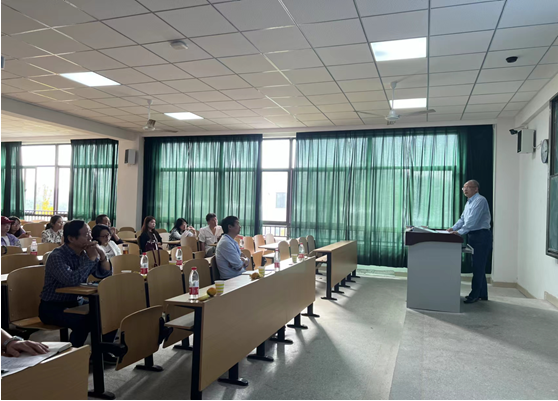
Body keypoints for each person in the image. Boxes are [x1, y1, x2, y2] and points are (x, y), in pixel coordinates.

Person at [39, 220, 113, 350]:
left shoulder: (85, 253)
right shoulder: (57, 256)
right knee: (86, 320)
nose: (90, 237)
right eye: (86, 234)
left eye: (90, 233)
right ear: (71, 238)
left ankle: (103, 351)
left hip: (76, 302)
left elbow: (104, 274)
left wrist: (102, 256)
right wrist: (91, 259)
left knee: (110, 312)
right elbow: (71, 280)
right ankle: (72, 354)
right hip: (52, 307)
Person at [447, 180, 492, 304]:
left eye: (468, 187)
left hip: (481, 236)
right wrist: (453, 228)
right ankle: (482, 294)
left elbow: (472, 221)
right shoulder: (469, 202)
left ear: (476, 189)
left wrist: (459, 232)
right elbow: (462, 219)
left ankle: (474, 295)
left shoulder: (480, 200)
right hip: (473, 235)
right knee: (478, 265)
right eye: (464, 188)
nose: (465, 190)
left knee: (478, 266)